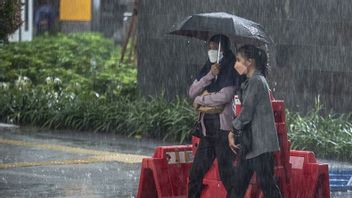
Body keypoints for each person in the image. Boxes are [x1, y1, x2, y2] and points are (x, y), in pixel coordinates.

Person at [188, 34, 244, 198]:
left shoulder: (231, 67)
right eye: (210, 48)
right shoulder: (209, 66)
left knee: (227, 176)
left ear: (224, 49)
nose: (212, 51)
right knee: (195, 174)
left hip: (223, 132)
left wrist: (201, 99)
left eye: (215, 48)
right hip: (207, 132)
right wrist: (210, 75)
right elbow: (192, 92)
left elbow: (225, 97)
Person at [228, 44, 282, 198]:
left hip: (261, 146)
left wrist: (232, 130)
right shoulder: (252, 81)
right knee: (238, 185)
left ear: (249, 62)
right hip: (251, 145)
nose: (235, 64)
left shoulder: (257, 81)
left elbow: (246, 113)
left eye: (238, 60)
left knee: (267, 186)